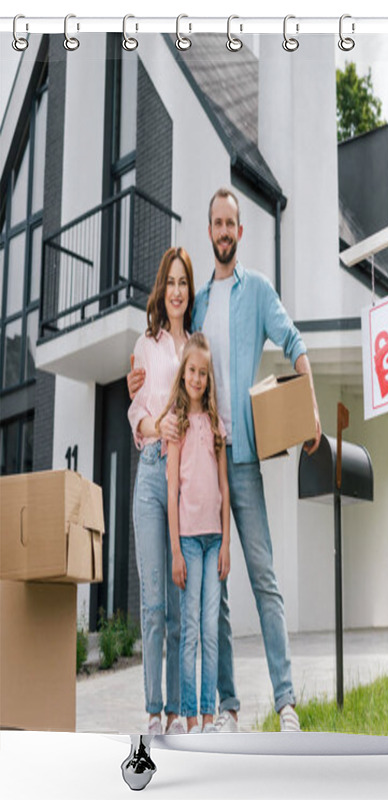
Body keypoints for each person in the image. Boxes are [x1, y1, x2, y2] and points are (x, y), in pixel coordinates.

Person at [129, 188, 321, 733]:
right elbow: (170, 368)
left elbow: (292, 338)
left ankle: (285, 702)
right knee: (215, 593)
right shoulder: (199, 308)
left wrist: (308, 400)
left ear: (240, 231)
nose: (223, 231)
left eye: (231, 223)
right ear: (209, 230)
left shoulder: (256, 290)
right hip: (199, 462)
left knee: (262, 575)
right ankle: (229, 707)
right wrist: (135, 380)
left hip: (242, 461)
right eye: (216, 223)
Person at [127, 246, 195, 736]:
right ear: (161, 289)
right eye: (169, 282)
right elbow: (134, 410)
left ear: (190, 293)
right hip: (151, 472)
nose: (175, 291)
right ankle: (154, 711)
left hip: (185, 477)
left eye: (183, 283)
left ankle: (176, 712)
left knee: (176, 605)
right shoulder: (145, 345)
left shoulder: (195, 347)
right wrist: (155, 421)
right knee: (152, 603)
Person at [158, 333, 231, 735]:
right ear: (183, 373)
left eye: (204, 372)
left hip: (214, 541)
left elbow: (224, 490)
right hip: (187, 541)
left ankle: (207, 715)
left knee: (210, 631)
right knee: (189, 633)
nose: (198, 378)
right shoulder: (177, 427)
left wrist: (227, 545)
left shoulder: (217, 427)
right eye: (192, 371)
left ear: (209, 377)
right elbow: (172, 492)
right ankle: (187, 716)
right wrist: (175, 552)